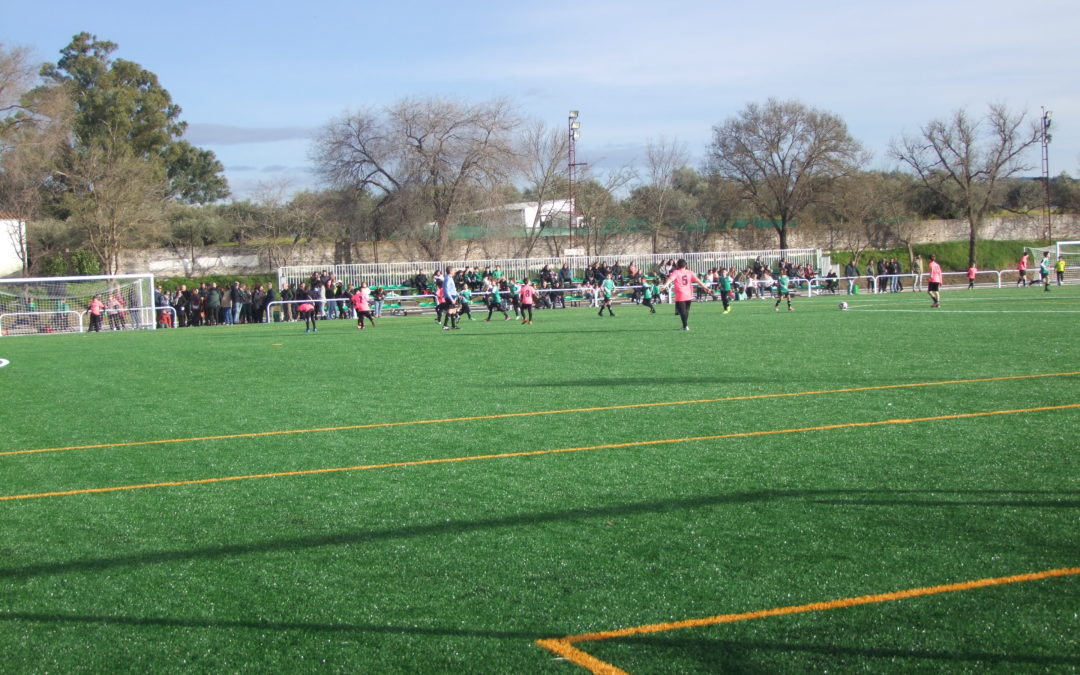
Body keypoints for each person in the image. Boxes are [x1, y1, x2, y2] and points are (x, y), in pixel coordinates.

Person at [663, 259, 712, 330]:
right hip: (689, 294)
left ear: (677, 265)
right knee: (686, 311)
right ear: (685, 265)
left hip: (680, 295)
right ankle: (684, 325)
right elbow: (698, 281)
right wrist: (705, 287)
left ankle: (685, 326)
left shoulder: (676, 272)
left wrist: (664, 286)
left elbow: (670, 279)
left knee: (682, 311)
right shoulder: (690, 272)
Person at [441, 266, 460, 330]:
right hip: (450, 297)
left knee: (454, 311)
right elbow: (446, 289)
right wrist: (451, 299)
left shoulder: (450, 278)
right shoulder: (448, 278)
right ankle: (445, 326)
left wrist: (457, 294)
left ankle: (453, 326)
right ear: (450, 271)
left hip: (452, 296)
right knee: (450, 310)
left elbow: (452, 289)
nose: (455, 271)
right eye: (454, 270)